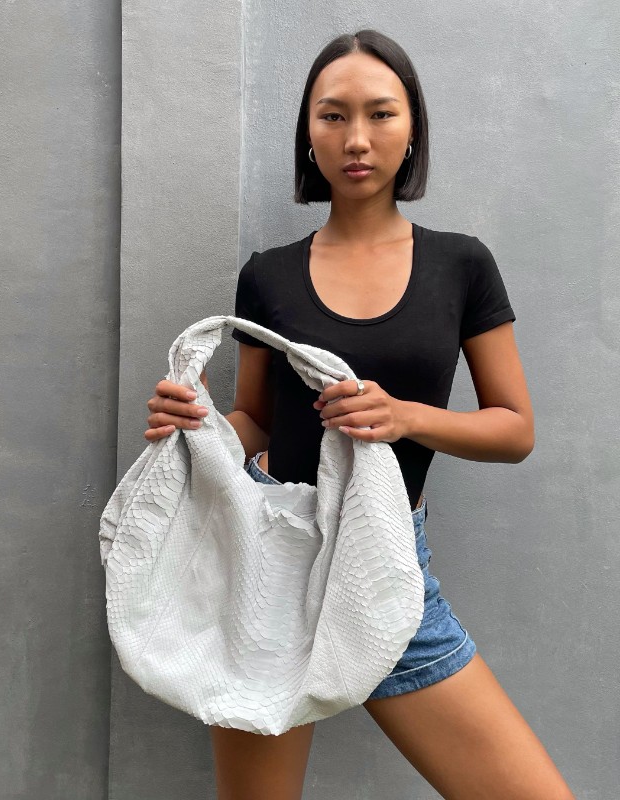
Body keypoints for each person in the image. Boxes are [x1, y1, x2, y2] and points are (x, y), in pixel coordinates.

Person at [143, 29, 575, 800]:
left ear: (412, 130)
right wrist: (195, 427)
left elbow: (514, 429)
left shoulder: (462, 265)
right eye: (333, 115)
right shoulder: (268, 276)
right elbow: (256, 420)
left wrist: (404, 417)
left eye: (380, 113)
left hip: (385, 561)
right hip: (270, 565)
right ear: (308, 135)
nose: (356, 139)